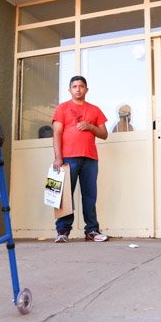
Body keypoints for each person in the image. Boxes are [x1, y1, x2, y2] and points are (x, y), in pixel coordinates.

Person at [52, 75, 109, 243]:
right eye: (74, 86)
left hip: (90, 158)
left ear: (86, 89)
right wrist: (58, 158)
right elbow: (56, 133)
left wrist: (90, 126)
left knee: (90, 195)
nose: (78, 89)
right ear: (70, 90)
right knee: (64, 195)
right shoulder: (62, 108)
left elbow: (104, 134)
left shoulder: (95, 110)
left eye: (81, 86)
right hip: (68, 157)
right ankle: (62, 231)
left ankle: (91, 230)